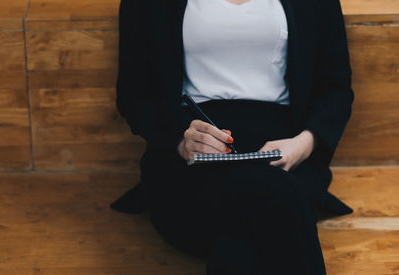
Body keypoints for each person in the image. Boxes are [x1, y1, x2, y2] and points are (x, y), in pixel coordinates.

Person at [112, 0, 355, 273]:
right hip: (191, 153)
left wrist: (304, 143)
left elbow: (336, 88)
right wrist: (181, 140)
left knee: (246, 239)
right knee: (275, 209)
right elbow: (133, 95)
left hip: (286, 151)